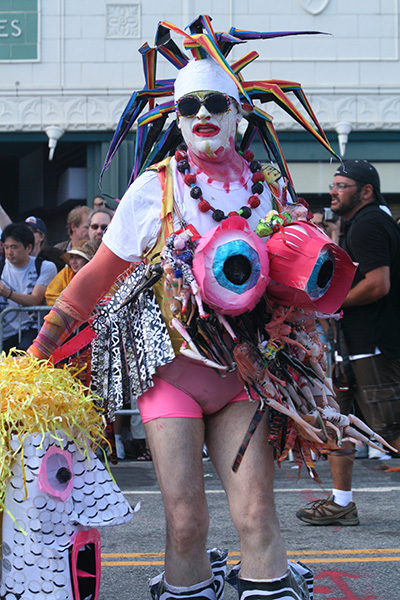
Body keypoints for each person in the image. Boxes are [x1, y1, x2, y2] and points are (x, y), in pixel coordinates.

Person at [29, 17, 354, 599]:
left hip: (244, 375)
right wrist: (34, 360)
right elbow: (92, 281)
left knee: (256, 513)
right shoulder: (152, 190)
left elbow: (303, 284)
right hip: (171, 377)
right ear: (176, 117)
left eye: (215, 102)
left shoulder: (269, 192)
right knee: (185, 521)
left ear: (239, 112)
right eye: (189, 105)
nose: (202, 113)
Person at [296, 159, 400, 526]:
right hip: (355, 346)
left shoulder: (369, 224)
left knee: (390, 430)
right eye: (334, 185)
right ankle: (341, 503)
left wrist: (332, 304)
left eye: (342, 186)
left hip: (374, 345)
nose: (333, 192)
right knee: (339, 423)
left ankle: (342, 502)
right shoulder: (364, 222)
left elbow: (378, 284)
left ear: (366, 191)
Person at [0, 223, 57, 352]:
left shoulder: (45, 267)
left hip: (33, 329)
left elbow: (35, 299)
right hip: (5, 332)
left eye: (14, 247)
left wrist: (7, 293)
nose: (9, 252)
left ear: (28, 248)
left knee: (24, 357)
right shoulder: (1, 267)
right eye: (6, 247)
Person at [45, 240, 98, 306]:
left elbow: (106, 298)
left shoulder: (100, 275)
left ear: (88, 260)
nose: (73, 261)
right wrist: (72, 303)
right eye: (72, 257)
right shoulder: (66, 272)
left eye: (79, 257)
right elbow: (50, 295)